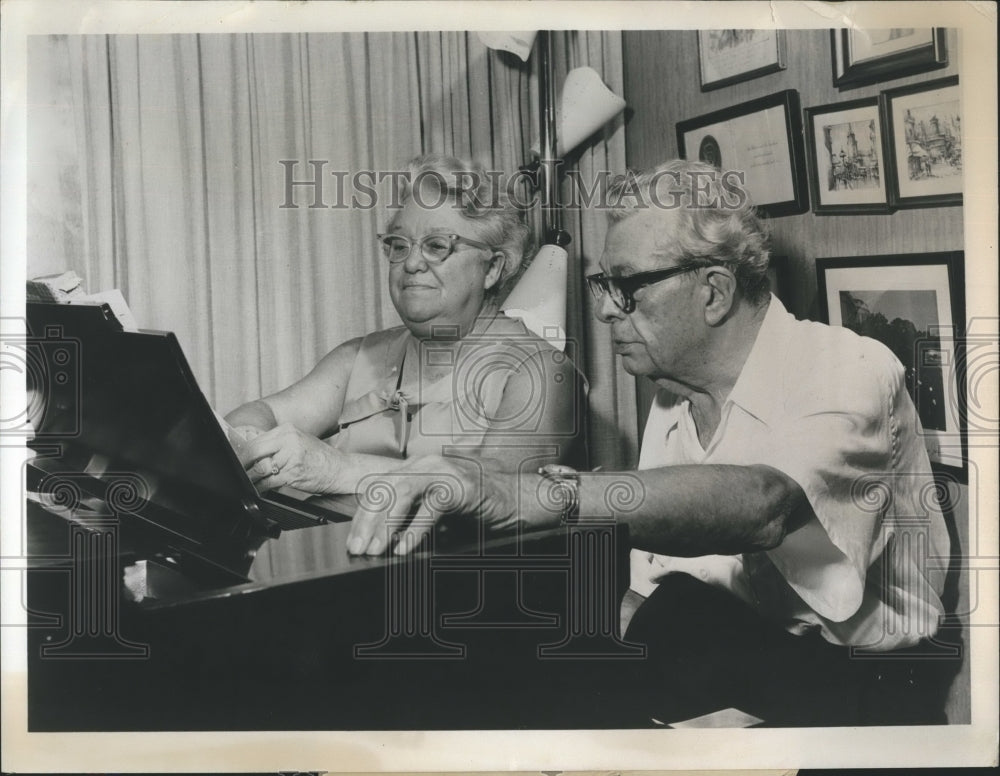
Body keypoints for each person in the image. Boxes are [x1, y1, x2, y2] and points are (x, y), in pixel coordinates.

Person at [347, 159, 956, 726]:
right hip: (726, 650)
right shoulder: (673, 390)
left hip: (861, 693)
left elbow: (763, 504)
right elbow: (663, 580)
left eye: (626, 288)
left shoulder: (846, 367)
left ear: (714, 292)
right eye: (603, 285)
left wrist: (529, 495)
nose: (608, 312)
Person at [226, 154, 585, 521]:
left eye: (436, 246)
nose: (411, 263)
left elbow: (489, 495)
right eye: (399, 245)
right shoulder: (359, 356)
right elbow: (263, 412)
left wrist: (336, 469)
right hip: (330, 561)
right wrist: (250, 440)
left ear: (491, 268)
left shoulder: (542, 374)